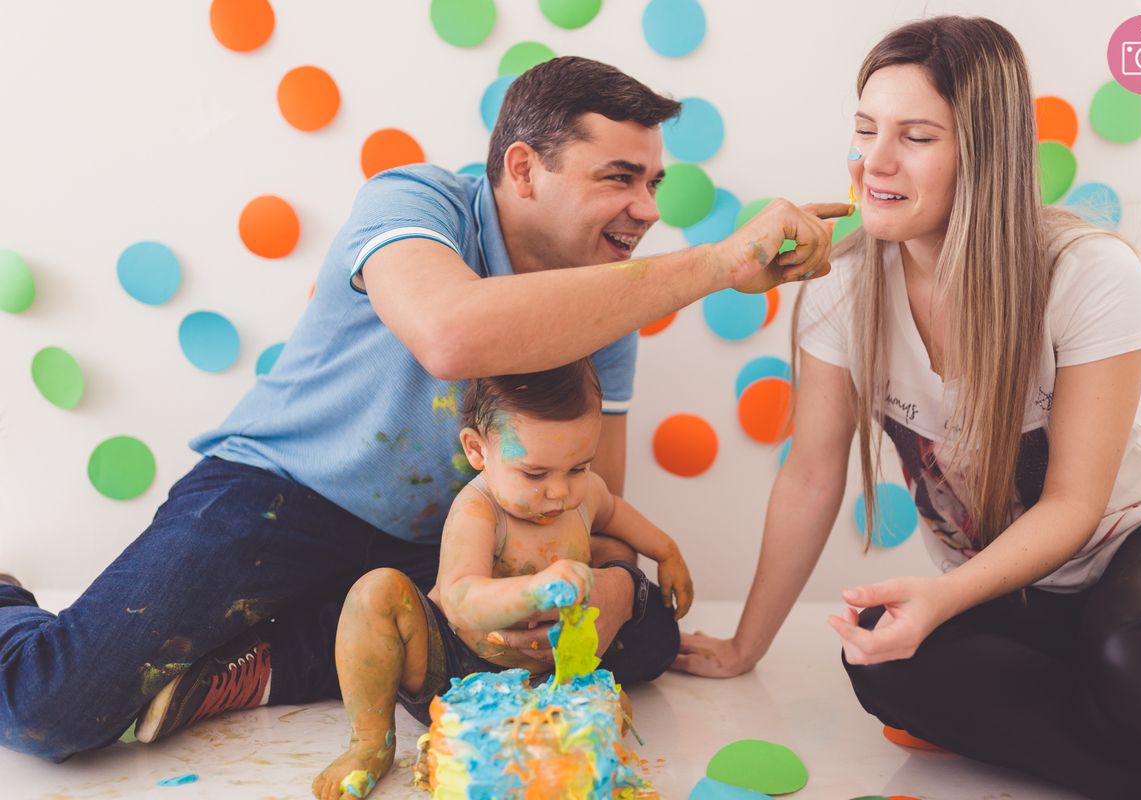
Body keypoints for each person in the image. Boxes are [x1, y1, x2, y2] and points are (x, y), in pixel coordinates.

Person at [0, 55, 847, 761]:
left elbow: (590, 498)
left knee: (643, 636)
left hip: (438, 540)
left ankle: (267, 660)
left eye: (653, 182)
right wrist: (715, 265)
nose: (649, 210)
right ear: (524, 169)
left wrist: (613, 586)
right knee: (53, 709)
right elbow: (450, 335)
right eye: (620, 178)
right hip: (279, 495)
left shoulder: (607, 299)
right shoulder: (413, 200)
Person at [671, 16, 1141, 800]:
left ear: (984, 154)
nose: (874, 161)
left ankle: (1130, 684)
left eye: (915, 137)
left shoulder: (1086, 273)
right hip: (1011, 586)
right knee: (880, 659)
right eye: (865, 130)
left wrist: (946, 596)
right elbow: (811, 476)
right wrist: (747, 643)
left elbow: (1075, 503)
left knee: (1130, 649)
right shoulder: (844, 286)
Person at [311, 359, 692, 799]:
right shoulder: (479, 509)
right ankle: (369, 743)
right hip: (456, 666)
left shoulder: (582, 495)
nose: (560, 491)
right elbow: (460, 600)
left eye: (578, 467)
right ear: (477, 451)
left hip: (549, 677)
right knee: (374, 592)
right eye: (535, 474)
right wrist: (534, 590)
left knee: (618, 702)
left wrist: (667, 552)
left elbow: (615, 513)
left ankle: (549, 749)